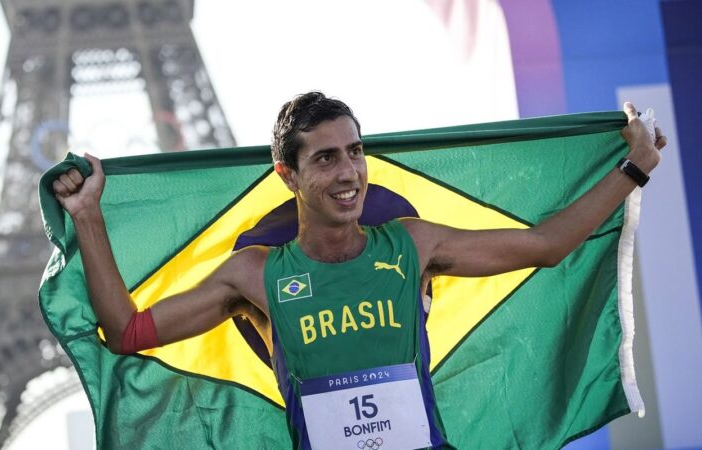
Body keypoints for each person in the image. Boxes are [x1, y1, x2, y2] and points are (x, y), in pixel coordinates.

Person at [52, 92, 666, 450]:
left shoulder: (411, 244)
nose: (349, 173)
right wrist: (87, 217)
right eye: (326, 159)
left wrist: (634, 168)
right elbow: (127, 332)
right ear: (287, 175)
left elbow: (545, 245)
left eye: (355, 152)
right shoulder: (254, 275)